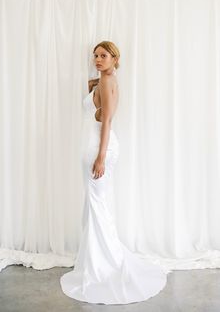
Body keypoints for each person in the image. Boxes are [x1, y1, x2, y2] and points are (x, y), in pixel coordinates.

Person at [60, 41, 171, 305]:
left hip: (102, 148)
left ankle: (106, 265)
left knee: (98, 207)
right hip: (93, 146)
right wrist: (92, 88)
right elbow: (97, 107)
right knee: (94, 206)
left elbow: (107, 120)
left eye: (104, 55)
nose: (98, 59)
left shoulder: (108, 83)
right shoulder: (101, 82)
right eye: (95, 55)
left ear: (114, 58)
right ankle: (96, 261)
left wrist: (100, 157)